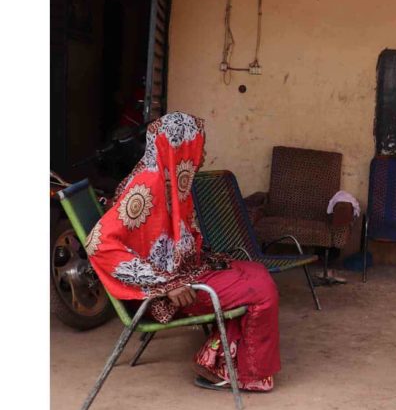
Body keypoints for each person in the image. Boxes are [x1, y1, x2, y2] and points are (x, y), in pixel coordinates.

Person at [87, 111, 280, 391]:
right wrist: (165, 285)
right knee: (262, 290)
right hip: (168, 293)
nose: (201, 154)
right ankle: (244, 373)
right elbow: (99, 243)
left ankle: (214, 357)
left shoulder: (168, 178)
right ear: (180, 145)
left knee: (254, 272)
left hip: (184, 274)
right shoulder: (147, 186)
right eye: (197, 145)